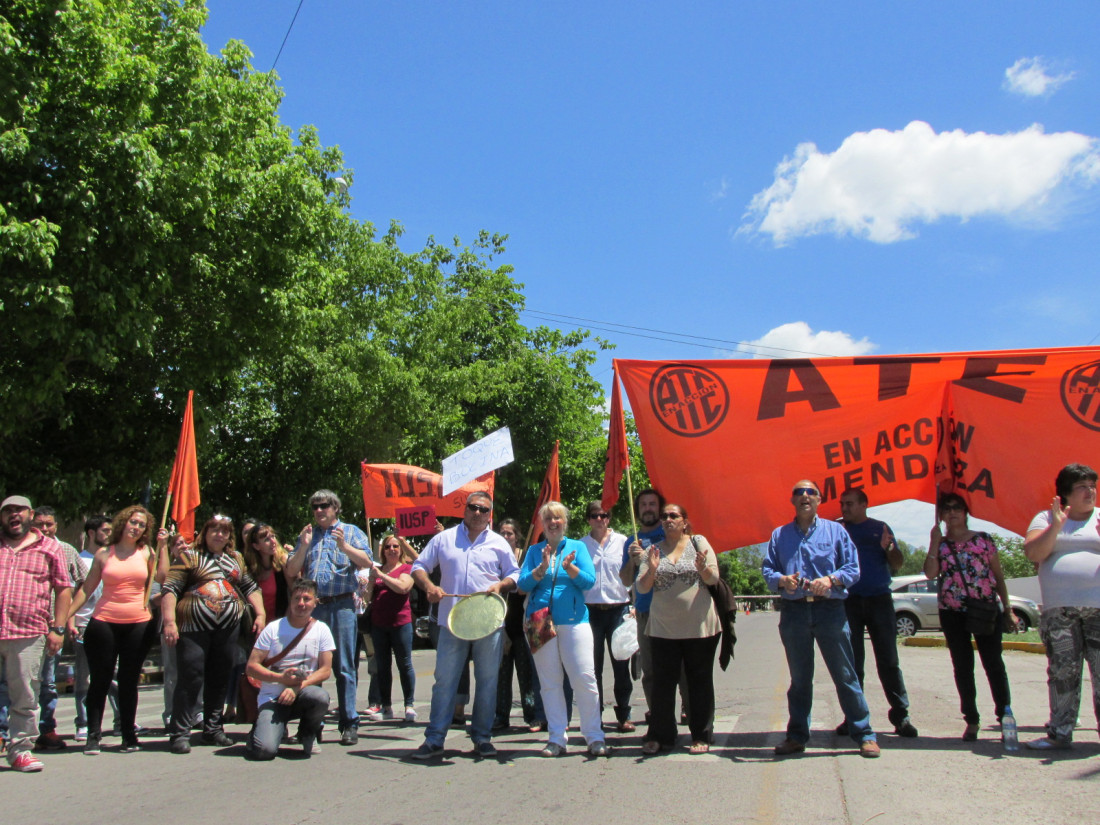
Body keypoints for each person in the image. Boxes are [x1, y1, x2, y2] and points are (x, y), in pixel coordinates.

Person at [763, 480, 880, 758]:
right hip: (794, 613)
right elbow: (768, 570)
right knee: (800, 679)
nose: (804, 497)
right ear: (792, 501)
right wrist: (782, 580)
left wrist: (831, 580)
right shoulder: (779, 535)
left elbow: (853, 568)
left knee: (845, 675)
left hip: (830, 611)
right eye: (798, 493)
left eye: (810, 492)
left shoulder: (836, 531)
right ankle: (796, 736)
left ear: (819, 499)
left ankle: (864, 734)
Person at [409, 491, 518, 759]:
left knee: (488, 681)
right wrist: (430, 586)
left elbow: (515, 574)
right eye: (473, 507)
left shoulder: (499, 543)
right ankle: (434, 739)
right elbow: (418, 566)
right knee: (444, 681)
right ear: (464, 509)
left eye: (483, 509)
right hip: (451, 623)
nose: (478, 513)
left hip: (488, 624)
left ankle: (482, 738)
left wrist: (501, 584)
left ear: (489, 514)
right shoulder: (443, 539)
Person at [162, 514, 265, 753]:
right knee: (191, 677)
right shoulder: (189, 556)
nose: (219, 535)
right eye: (214, 530)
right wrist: (169, 622)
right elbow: (170, 588)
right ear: (204, 533)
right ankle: (180, 732)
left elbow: (250, 587)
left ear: (230, 536)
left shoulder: (236, 559)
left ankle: (213, 729)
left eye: (225, 531)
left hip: (227, 628)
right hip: (193, 627)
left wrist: (260, 614)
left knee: (219, 678)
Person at [65, 505, 160, 754]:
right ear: (123, 523)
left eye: (141, 524)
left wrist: (164, 547)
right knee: (100, 680)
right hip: (104, 622)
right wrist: (67, 615)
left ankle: (128, 736)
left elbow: (161, 576)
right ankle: (93, 737)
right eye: (133, 522)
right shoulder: (104, 554)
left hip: (138, 623)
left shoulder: (148, 552)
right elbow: (86, 589)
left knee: (129, 682)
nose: (136, 527)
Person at [284, 489, 374, 746]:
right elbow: (291, 569)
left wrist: (344, 546)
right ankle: (313, 723)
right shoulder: (308, 535)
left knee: (344, 667)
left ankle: (349, 723)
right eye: (315, 507)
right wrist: (302, 545)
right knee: (312, 666)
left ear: (335, 508)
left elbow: (367, 562)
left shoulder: (351, 531)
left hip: (341, 606)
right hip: (314, 608)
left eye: (324, 505)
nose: (319, 510)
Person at [923, 491, 1014, 742]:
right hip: (952, 612)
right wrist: (933, 542)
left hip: (984, 609)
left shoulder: (983, 540)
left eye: (957, 508)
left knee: (994, 664)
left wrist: (1008, 608)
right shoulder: (940, 544)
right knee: (963, 667)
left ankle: (1005, 714)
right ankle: (971, 719)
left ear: (966, 512)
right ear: (941, 515)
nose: (952, 512)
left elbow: (998, 577)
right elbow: (930, 573)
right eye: (947, 509)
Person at [519, 502, 607, 757]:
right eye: (548, 519)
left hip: (574, 622)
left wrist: (570, 567)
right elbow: (523, 584)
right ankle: (557, 738)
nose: (553, 523)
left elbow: (589, 582)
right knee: (550, 683)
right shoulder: (535, 551)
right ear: (542, 524)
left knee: (584, 678)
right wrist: (541, 569)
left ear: (564, 522)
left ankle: (594, 736)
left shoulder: (578, 547)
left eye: (557, 518)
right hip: (540, 622)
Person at [1023, 463, 1100, 750]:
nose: (1090, 491)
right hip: (1060, 611)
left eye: (1092, 485)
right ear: (1065, 494)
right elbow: (1034, 552)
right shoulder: (1045, 518)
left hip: (1098, 608)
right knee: (1063, 672)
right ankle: (1060, 732)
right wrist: (1056, 526)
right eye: (1082, 486)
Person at [635, 503, 719, 755]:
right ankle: (663, 736)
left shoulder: (698, 542)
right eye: (664, 516)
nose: (668, 519)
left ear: (684, 520)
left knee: (698, 683)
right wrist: (650, 567)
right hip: (663, 629)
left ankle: (700, 735)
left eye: (674, 516)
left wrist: (702, 567)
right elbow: (641, 587)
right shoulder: (653, 550)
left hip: (699, 627)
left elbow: (714, 578)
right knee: (662, 684)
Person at [837, 488, 918, 738]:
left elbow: (897, 563)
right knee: (851, 664)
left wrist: (889, 548)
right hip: (848, 601)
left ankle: (900, 716)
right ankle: (854, 717)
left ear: (864, 505)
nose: (844, 508)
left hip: (879, 601)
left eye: (849, 503)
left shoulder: (880, 528)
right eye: (842, 504)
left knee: (888, 661)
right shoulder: (837, 529)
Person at [0, 495, 72, 772]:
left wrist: (58, 628)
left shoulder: (50, 548)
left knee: (25, 695)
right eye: (8, 511)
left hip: (28, 633)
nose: (13, 516)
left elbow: (63, 588)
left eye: (19, 511)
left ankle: (20, 751)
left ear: (30, 514)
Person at [246, 578, 334, 760]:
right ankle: (260, 729)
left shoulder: (322, 630)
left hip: (301, 694)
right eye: (297, 599)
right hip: (273, 698)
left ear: (315, 602)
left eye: (306, 599)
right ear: (290, 601)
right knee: (265, 751)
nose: (301, 603)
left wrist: (295, 687)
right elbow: (252, 667)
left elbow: (325, 670)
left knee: (320, 697)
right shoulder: (273, 628)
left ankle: (307, 732)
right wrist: (280, 679)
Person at [581, 500, 634, 733]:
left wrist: (633, 603)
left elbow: (633, 572)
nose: (599, 519)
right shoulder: (581, 546)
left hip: (619, 608)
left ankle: (624, 714)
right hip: (591, 611)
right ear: (588, 519)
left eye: (604, 515)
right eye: (595, 516)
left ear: (609, 518)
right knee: (593, 668)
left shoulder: (623, 542)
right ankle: (596, 717)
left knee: (621, 664)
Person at [494, 518, 546, 732]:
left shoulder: (526, 557)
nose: (506, 537)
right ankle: (500, 716)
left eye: (510, 533)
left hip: (524, 625)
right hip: (501, 627)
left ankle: (532, 715)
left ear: (517, 536)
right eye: (502, 533)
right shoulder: (493, 559)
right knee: (501, 675)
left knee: (527, 674)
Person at [71, 515, 120, 741]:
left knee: (114, 676)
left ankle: (122, 719)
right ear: (91, 533)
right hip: (84, 625)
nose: (109, 534)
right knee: (85, 678)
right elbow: (73, 594)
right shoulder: (80, 560)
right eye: (105, 530)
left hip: (110, 625)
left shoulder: (113, 557)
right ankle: (83, 723)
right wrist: (70, 621)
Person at [364, 533, 417, 722]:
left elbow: (403, 588)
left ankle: (409, 705)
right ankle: (386, 706)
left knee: (405, 664)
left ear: (401, 550)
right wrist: (371, 582)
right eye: (388, 547)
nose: (392, 550)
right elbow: (367, 598)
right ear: (383, 550)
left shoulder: (406, 568)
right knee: (383, 667)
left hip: (401, 624)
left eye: (395, 546)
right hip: (379, 625)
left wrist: (382, 577)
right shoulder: (377, 570)